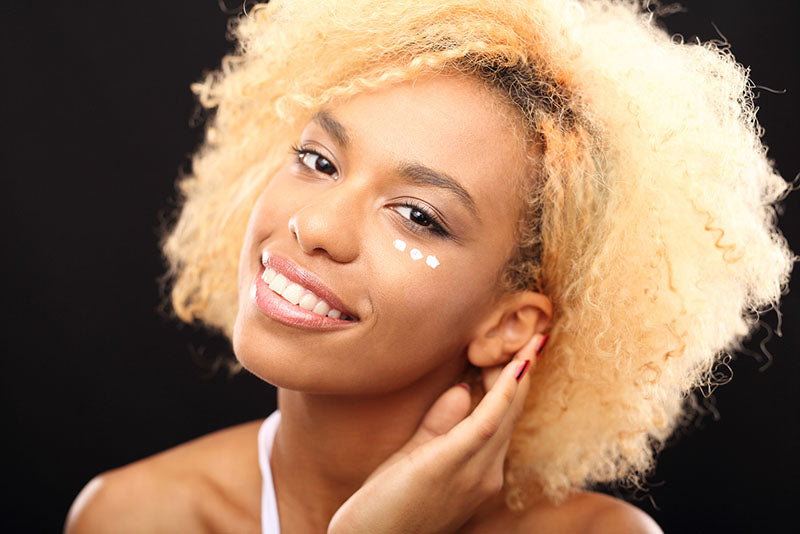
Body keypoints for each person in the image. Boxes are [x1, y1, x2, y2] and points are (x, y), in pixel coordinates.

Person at [65, 0, 794, 532]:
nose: (313, 225)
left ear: (509, 326)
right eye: (319, 161)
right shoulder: (133, 515)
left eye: (417, 215)